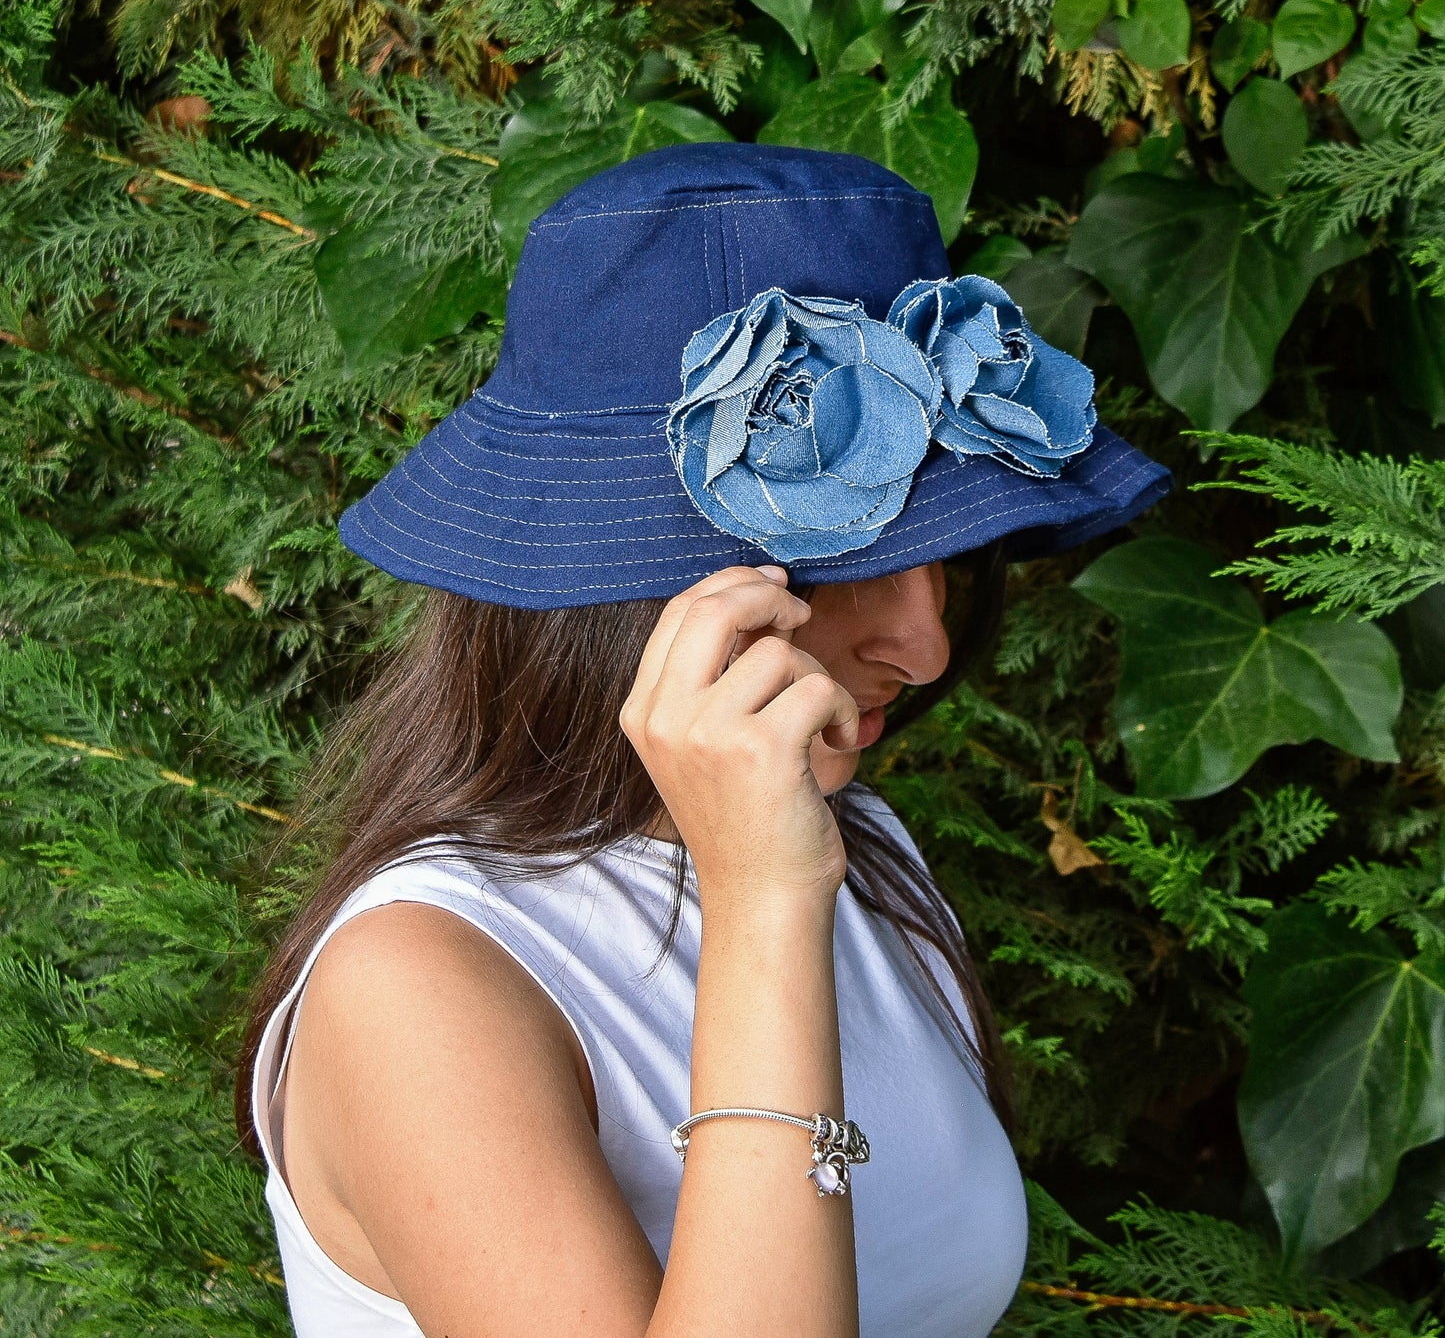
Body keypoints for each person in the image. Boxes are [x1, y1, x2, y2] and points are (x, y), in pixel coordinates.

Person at [234, 142, 1171, 1338]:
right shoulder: (418, 987)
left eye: (951, 552)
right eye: (855, 561)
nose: (926, 646)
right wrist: (764, 903)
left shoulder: (856, 847)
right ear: (632, 584)